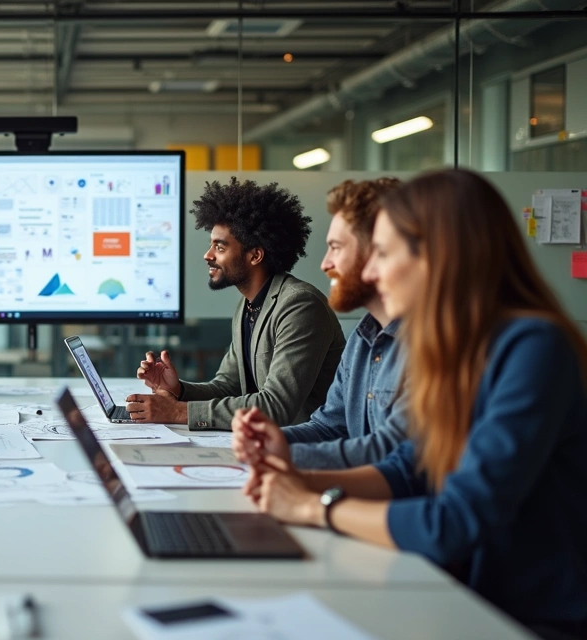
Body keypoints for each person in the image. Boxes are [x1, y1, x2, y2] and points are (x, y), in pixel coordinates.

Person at [240, 169, 587, 638]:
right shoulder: (455, 349)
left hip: (519, 620)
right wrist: (290, 477)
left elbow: (453, 521)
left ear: (438, 256)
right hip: (454, 596)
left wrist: (311, 506)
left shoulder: (532, 348)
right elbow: (408, 469)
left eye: (383, 253)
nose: (370, 273)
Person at [132, 178, 345, 431]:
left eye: (219, 247)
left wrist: (178, 412)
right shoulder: (248, 306)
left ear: (255, 255)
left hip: (306, 448)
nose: (208, 255)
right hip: (261, 444)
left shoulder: (300, 305)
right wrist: (177, 390)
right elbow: (227, 386)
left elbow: (276, 406)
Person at [231, 178, 408, 469]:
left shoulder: (430, 343)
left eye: (336, 248)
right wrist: (269, 442)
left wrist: (284, 456)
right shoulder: (362, 339)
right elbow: (330, 427)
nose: (325, 264)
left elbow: (392, 455)